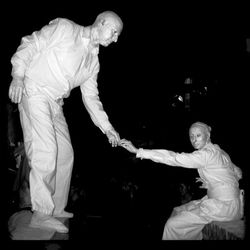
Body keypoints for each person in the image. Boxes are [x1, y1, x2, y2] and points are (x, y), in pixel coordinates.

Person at [8, 11, 123, 233]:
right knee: (47, 150)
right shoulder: (65, 28)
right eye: (114, 32)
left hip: (55, 103)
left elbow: (91, 98)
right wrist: (18, 75)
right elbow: (31, 43)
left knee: (66, 154)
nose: (115, 38)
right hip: (34, 91)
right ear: (102, 22)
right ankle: (41, 213)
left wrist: (108, 129)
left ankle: (56, 209)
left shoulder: (93, 62)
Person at [119, 121, 244, 240]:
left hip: (224, 207)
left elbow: (174, 158)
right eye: (191, 136)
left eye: (198, 135)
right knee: (178, 210)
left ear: (208, 135)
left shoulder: (206, 154)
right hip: (233, 204)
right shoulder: (220, 151)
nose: (194, 140)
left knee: (172, 225)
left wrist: (138, 151)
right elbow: (238, 173)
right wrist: (214, 184)